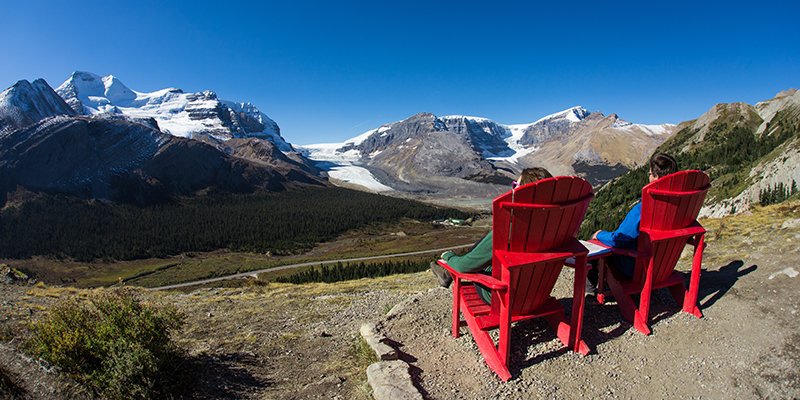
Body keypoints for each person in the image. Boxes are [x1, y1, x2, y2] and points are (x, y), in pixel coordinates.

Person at [430, 167, 553, 304]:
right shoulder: (556, 225)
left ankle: (446, 272)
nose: (512, 189)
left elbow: (464, 267)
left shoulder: (509, 229)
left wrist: (448, 256)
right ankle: (446, 274)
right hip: (537, 295)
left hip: (500, 296)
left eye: (515, 186)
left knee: (480, 254)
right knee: (486, 247)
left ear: (522, 193)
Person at [585, 153, 678, 293]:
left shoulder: (644, 208)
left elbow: (620, 239)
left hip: (638, 266)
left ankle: (590, 293)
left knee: (593, 247)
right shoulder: (680, 206)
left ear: (656, 178)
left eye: (650, 174)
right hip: (664, 265)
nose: (649, 177)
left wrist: (599, 234)